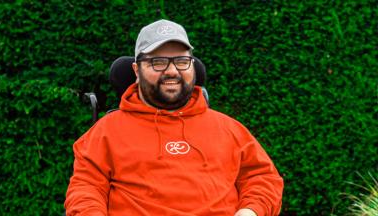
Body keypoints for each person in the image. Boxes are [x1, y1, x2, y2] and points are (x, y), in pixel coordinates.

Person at [65, 19, 283, 216]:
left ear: (192, 66)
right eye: (158, 62)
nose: (172, 71)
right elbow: (86, 190)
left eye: (181, 61)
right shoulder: (105, 132)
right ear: (136, 70)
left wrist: (250, 211)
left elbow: (262, 178)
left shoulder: (229, 129)